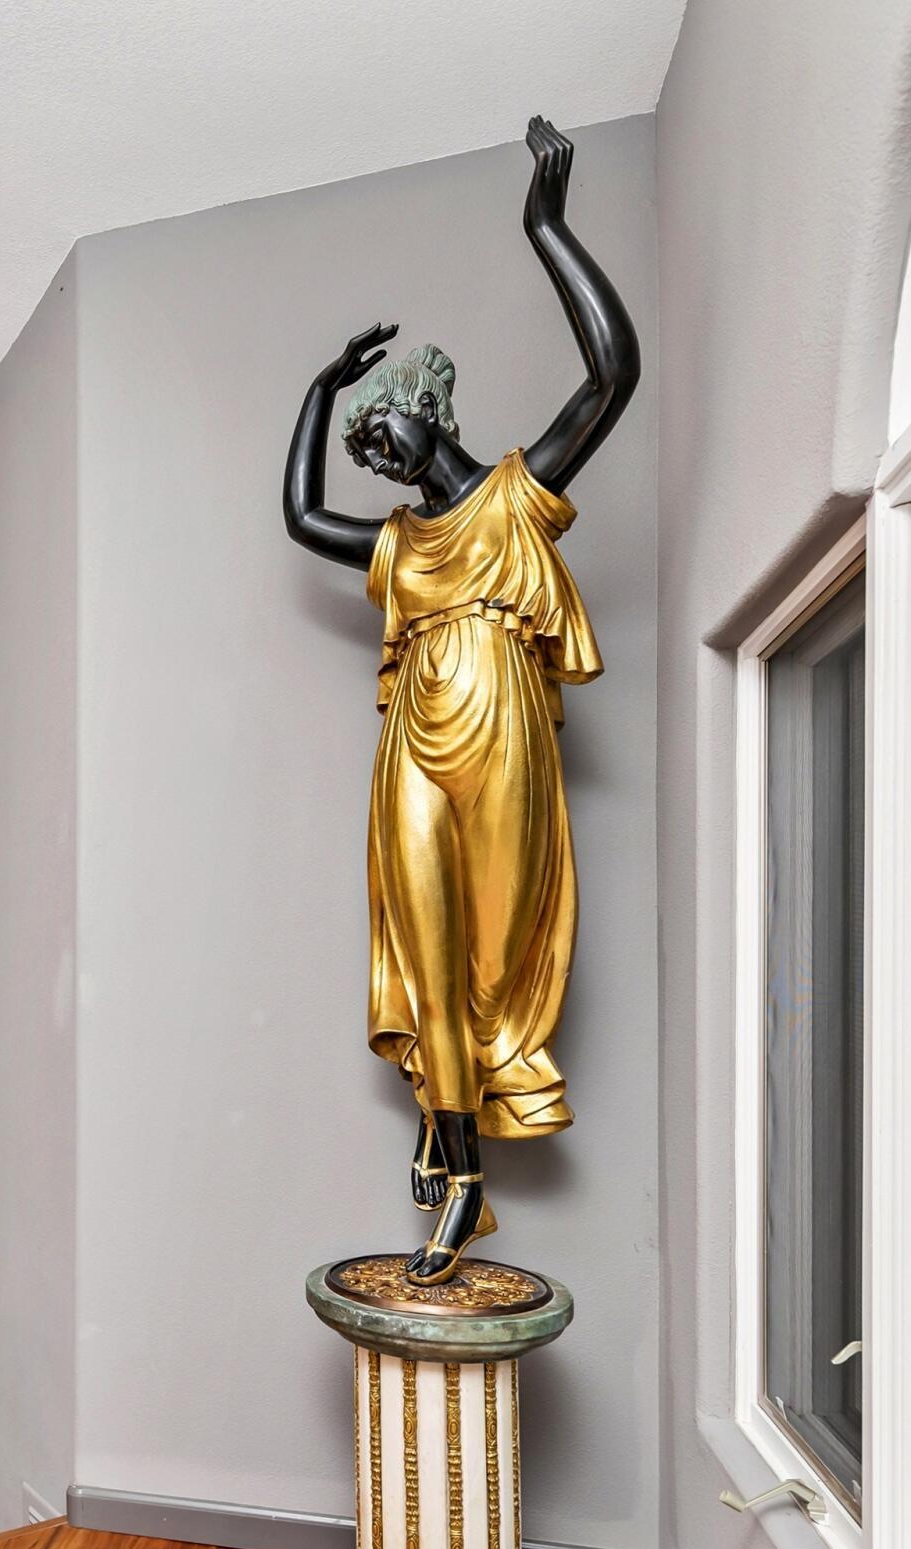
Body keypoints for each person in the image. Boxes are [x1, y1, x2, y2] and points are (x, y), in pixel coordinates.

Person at [282, 115, 638, 1282]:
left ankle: (464, 1143)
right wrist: (315, 389)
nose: (375, 457)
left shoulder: (514, 498)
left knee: (494, 957)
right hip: (413, 755)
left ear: (430, 403)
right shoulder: (397, 543)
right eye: (366, 448)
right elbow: (298, 518)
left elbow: (613, 372)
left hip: (505, 741)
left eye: (379, 429)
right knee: (425, 951)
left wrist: (549, 227)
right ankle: (458, 1166)